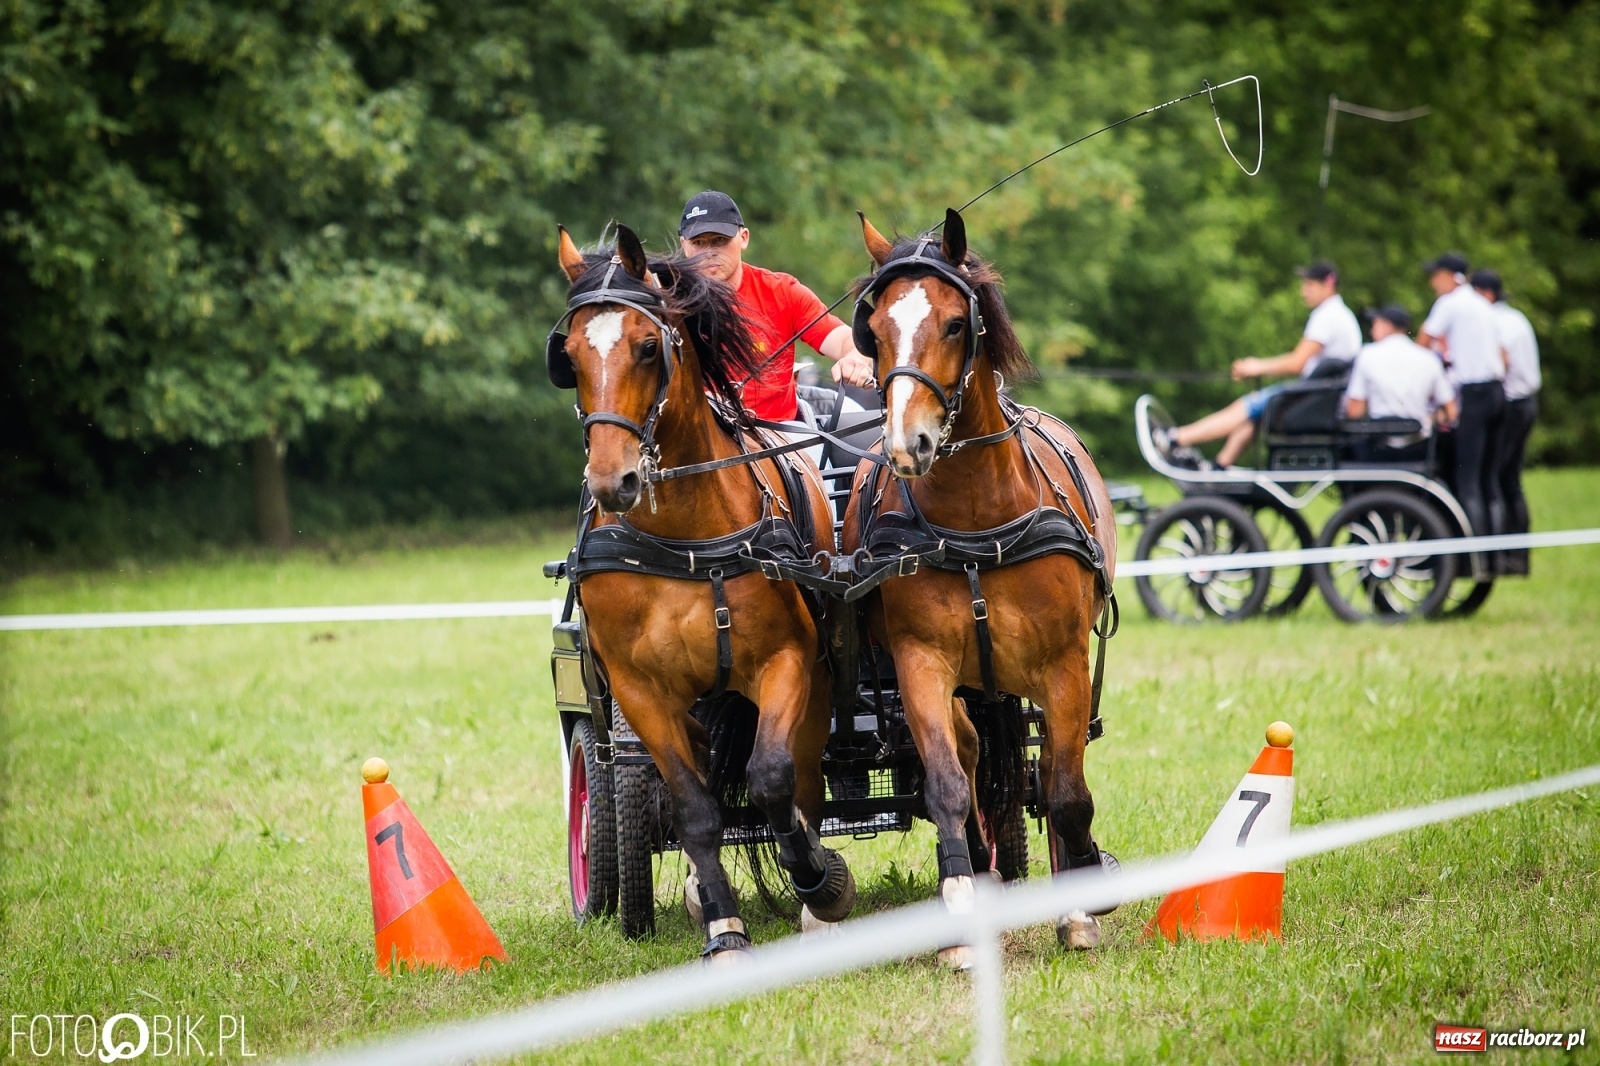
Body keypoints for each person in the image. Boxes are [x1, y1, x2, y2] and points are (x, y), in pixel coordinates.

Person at [677, 191, 875, 422]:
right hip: (697, 442)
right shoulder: (666, 303)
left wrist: (855, 359)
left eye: (720, 240)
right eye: (698, 242)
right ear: (684, 245)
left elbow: (843, 340)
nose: (709, 251)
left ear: (743, 238)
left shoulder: (783, 291)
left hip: (781, 438)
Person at [1156, 260, 1361, 468]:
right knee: (1255, 414)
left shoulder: (1327, 316)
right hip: (1321, 397)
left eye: (1309, 285)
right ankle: (1219, 465)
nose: (1303, 292)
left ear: (1327, 284)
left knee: (1248, 405)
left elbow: (1296, 363)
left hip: (1317, 398)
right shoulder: (1341, 315)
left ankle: (1175, 438)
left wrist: (1255, 367)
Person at [1415, 252, 1505, 543]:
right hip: (1497, 393)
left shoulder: (1449, 303)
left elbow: (1422, 345)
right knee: (1488, 479)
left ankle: (1471, 554)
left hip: (1475, 394)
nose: (1432, 283)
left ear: (1449, 277)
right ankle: (1498, 551)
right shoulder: (1483, 305)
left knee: (1465, 478)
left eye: (1436, 276)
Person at [1472, 268, 1540, 574]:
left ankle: (1500, 553)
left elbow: (1501, 362)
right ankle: (1517, 554)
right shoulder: (1515, 318)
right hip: (1525, 403)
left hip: (1510, 405)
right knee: (1509, 479)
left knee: (1494, 476)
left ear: (1485, 293)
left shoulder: (1494, 322)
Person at [1343, 305, 1457, 460]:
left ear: (1387, 326)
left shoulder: (1367, 355)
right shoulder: (1428, 359)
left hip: (1378, 450)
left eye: (1375, 324)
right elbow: (1451, 411)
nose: (1371, 331)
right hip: (1418, 449)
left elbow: (1354, 410)